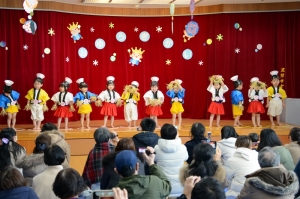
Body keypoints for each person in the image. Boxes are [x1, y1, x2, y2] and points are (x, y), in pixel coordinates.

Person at [154, 124, 188, 197]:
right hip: (180, 188)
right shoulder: (183, 147)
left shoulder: (156, 148)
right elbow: (186, 158)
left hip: (163, 187)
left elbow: (154, 160)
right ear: (176, 134)